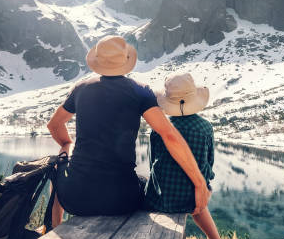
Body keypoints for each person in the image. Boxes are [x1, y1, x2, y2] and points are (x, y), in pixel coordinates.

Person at [46, 35, 211, 226]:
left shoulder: (81, 88)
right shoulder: (139, 90)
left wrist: (66, 144)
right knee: (141, 180)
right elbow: (169, 135)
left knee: (59, 162)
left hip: (76, 200)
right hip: (122, 201)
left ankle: (52, 227)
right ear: (125, 61)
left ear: (98, 61)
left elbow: (54, 125)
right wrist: (200, 184)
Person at [144, 73, 236, 239]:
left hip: (161, 199)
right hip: (194, 198)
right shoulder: (205, 128)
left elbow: (153, 162)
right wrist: (204, 183)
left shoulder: (160, 128)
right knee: (199, 204)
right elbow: (208, 164)